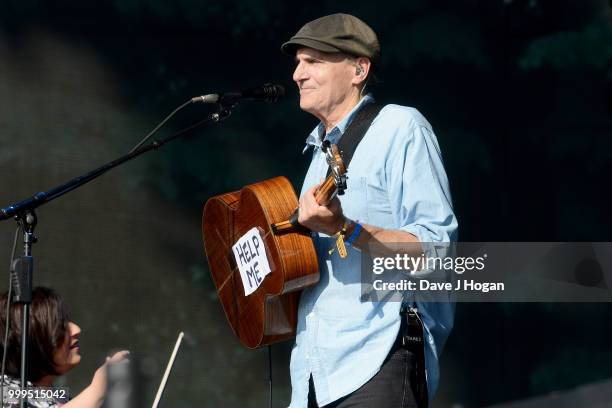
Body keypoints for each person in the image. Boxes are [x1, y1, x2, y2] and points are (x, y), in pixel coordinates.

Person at [280, 13, 458, 408]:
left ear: (359, 69)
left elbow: (438, 253)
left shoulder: (401, 127)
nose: (297, 74)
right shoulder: (317, 155)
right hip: (312, 374)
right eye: (297, 62)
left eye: (314, 61)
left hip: (377, 359)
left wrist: (347, 228)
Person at [0, 287, 128, 407]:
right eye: (61, 326)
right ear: (32, 340)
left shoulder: (53, 396)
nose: (77, 329)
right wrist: (98, 389)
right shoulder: (5, 394)